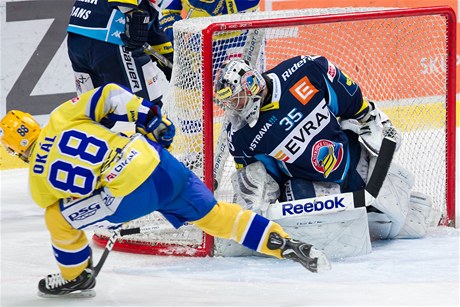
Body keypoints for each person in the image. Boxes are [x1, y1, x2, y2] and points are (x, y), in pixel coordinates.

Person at [0, 83, 330, 297]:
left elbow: (72, 204)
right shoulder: (60, 116)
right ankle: (282, 242)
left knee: (56, 218)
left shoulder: (36, 182)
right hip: (158, 161)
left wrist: (104, 214)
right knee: (214, 216)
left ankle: (75, 275)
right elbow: (112, 94)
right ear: (34, 123)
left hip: (131, 192)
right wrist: (149, 118)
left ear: (15, 152)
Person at [213, 57, 435, 250]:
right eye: (228, 103)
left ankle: (396, 200)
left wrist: (368, 115)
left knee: (408, 225)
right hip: (312, 187)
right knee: (324, 232)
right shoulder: (241, 136)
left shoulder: (304, 70)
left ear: (251, 84)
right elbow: (258, 179)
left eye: (235, 99)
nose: (233, 107)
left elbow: (349, 98)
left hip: (352, 160)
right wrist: (254, 207)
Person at [67, 0, 174, 104]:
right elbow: (139, 23)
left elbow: (151, 32)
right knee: (151, 111)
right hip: (110, 38)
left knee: (94, 113)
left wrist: (170, 60)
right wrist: (133, 15)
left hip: (77, 38)